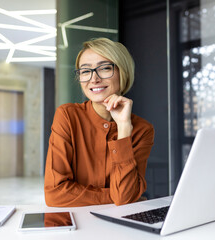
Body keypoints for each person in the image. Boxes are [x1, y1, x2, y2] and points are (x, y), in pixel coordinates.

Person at [44, 37, 155, 207]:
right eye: (85, 71)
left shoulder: (142, 130)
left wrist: (124, 129)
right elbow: (55, 194)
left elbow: (124, 196)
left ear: (122, 72)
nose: (94, 79)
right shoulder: (67, 116)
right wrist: (117, 196)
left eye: (104, 69)